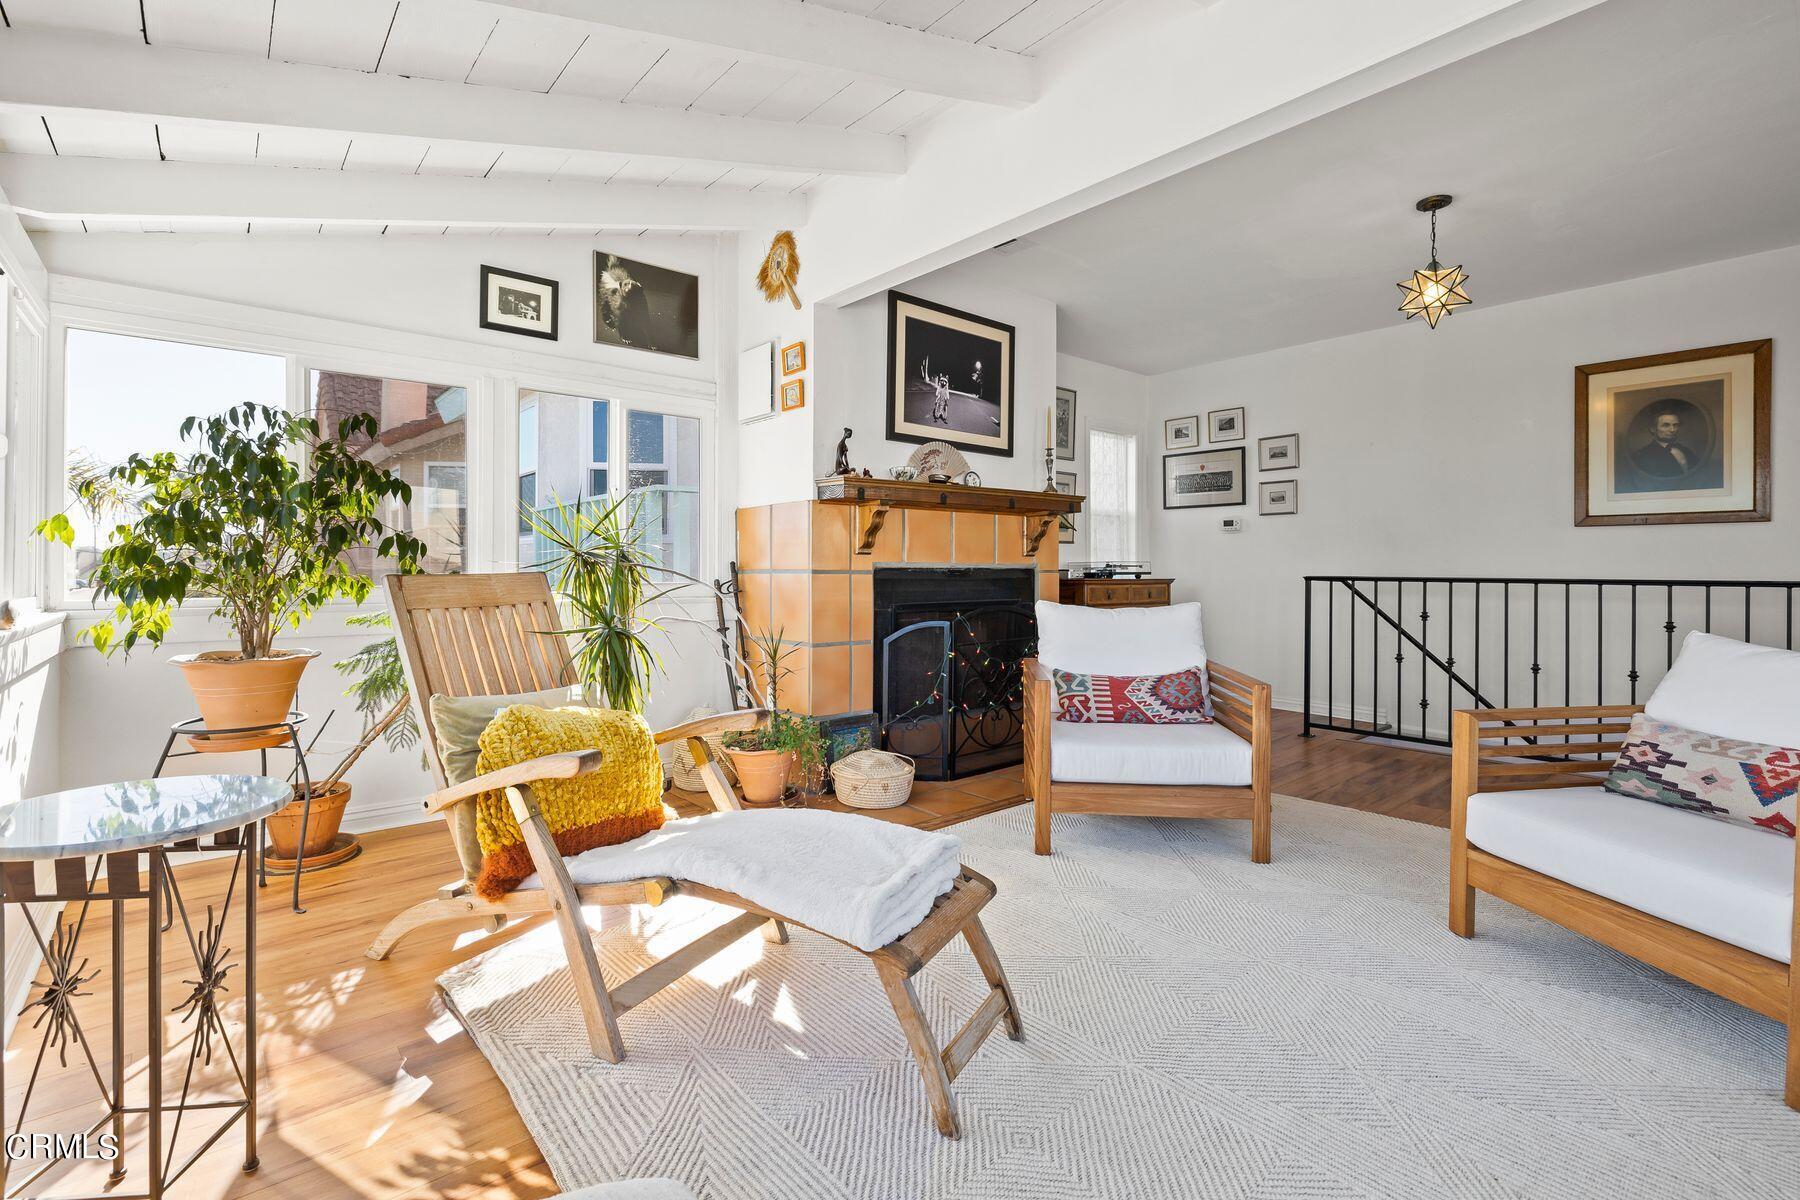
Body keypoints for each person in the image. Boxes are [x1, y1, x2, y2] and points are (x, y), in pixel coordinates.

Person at [1631, 406, 1700, 478]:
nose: (1672, 430)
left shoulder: (1685, 450)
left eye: (1675, 425)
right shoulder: (1641, 456)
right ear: (1653, 429)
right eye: (1666, 425)